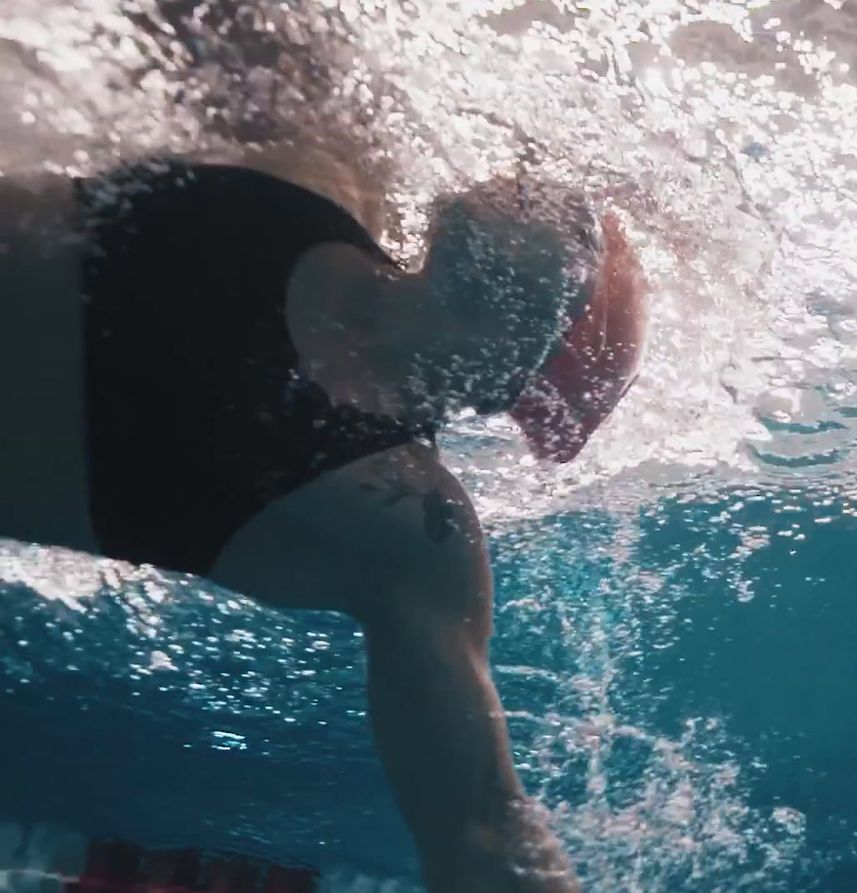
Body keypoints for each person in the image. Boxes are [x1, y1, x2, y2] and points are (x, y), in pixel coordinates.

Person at [0, 154, 650, 893]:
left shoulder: (407, 525)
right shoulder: (317, 180)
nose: (562, 204)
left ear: (533, 361)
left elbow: (482, 826)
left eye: (583, 257)